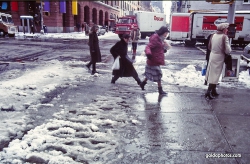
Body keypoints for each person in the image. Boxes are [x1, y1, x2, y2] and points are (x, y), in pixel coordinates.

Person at [205, 23, 231, 99]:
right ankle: (208, 92)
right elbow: (228, 50)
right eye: (226, 28)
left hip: (212, 56)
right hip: (219, 57)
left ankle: (213, 90)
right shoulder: (224, 37)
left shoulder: (213, 35)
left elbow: (209, 47)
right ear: (223, 29)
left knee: (212, 73)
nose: (227, 30)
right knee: (215, 74)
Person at [141, 26, 171, 95]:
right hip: (153, 59)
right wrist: (148, 54)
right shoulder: (156, 38)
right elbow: (148, 47)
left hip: (155, 59)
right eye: (166, 33)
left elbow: (157, 47)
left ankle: (143, 83)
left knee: (150, 74)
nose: (166, 35)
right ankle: (160, 90)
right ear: (162, 32)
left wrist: (164, 49)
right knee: (158, 74)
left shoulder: (160, 39)